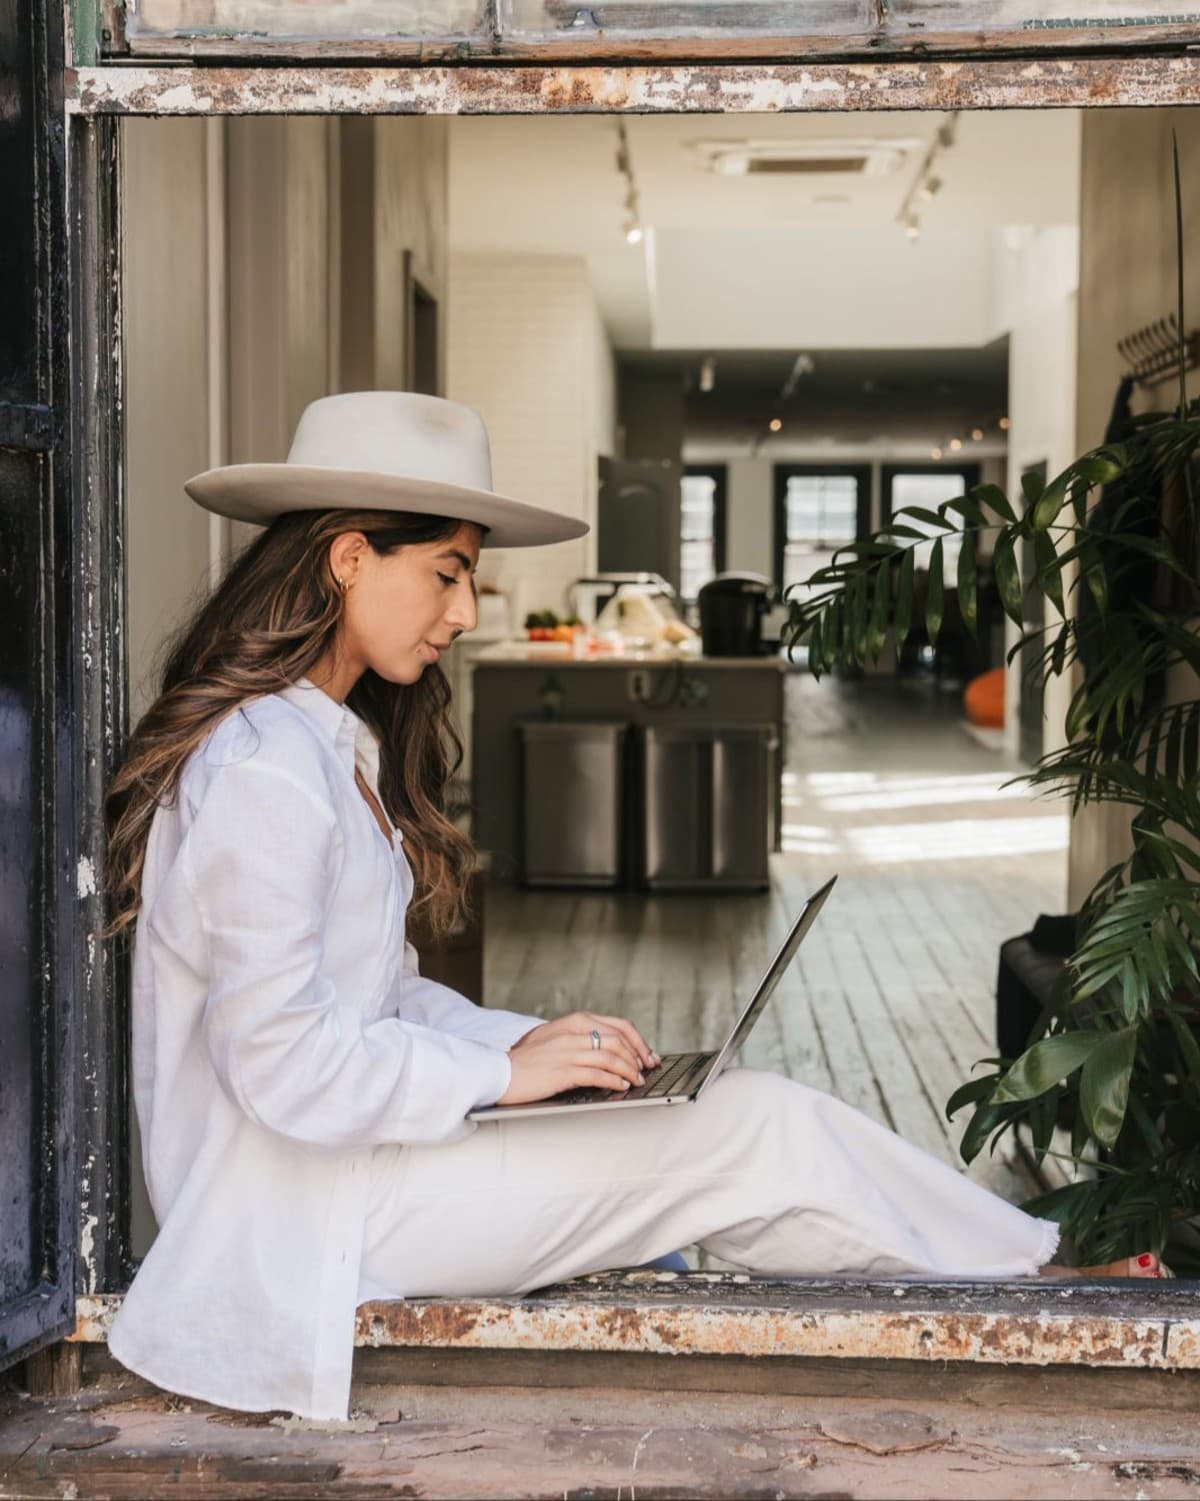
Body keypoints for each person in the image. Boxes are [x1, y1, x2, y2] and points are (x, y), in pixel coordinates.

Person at [105, 392, 1165, 1423]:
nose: (465, 612)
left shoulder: (322, 745)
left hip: (353, 1177)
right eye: (446, 572)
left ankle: (1027, 1272)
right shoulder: (264, 767)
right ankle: (1048, 1284)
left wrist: (543, 1047)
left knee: (735, 1113)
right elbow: (283, 1061)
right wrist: (504, 1075)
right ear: (347, 557)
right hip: (308, 1217)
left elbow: (379, 1000)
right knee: (737, 1134)